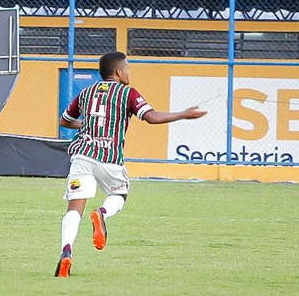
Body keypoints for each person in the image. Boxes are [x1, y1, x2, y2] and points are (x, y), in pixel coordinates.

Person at [56, 51, 206, 278]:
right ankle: (102, 213)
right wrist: (183, 114)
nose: (129, 72)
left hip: (82, 155)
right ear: (118, 72)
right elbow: (151, 117)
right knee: (120, 193)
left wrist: (86, 126)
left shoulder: (86, 93)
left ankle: (66, 252)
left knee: (74, 209)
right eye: (127, 68)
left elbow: (64, 120)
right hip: (109, 158)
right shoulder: (127, 93)